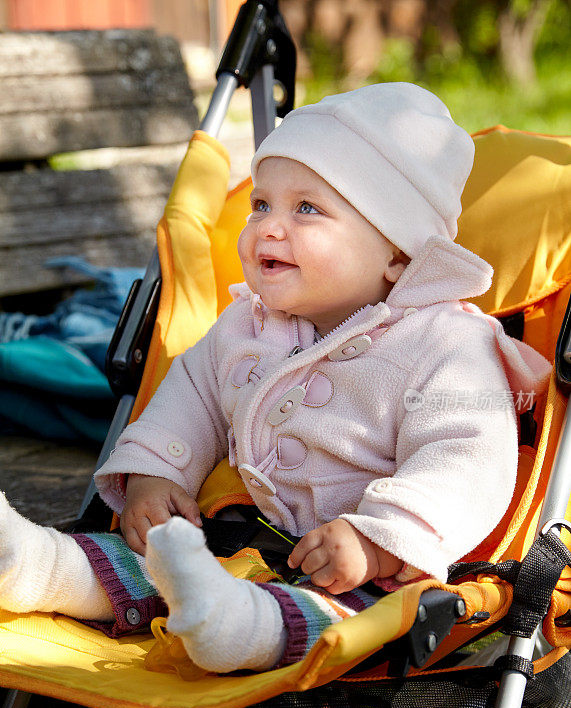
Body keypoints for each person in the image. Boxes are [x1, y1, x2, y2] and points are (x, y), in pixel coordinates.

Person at [0, 83, 551, 674]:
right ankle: (34, 565)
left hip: (353, 574)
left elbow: (466, 461)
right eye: (261, 204)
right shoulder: (248, 323)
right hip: (230, 537)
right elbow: (194, 392)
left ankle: (235, 629)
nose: (267, 226)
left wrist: (379, 540)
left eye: (306, 209)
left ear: (398, 255)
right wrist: (156, 472)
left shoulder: (449, 345)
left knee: (335, 619)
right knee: (151, 555)